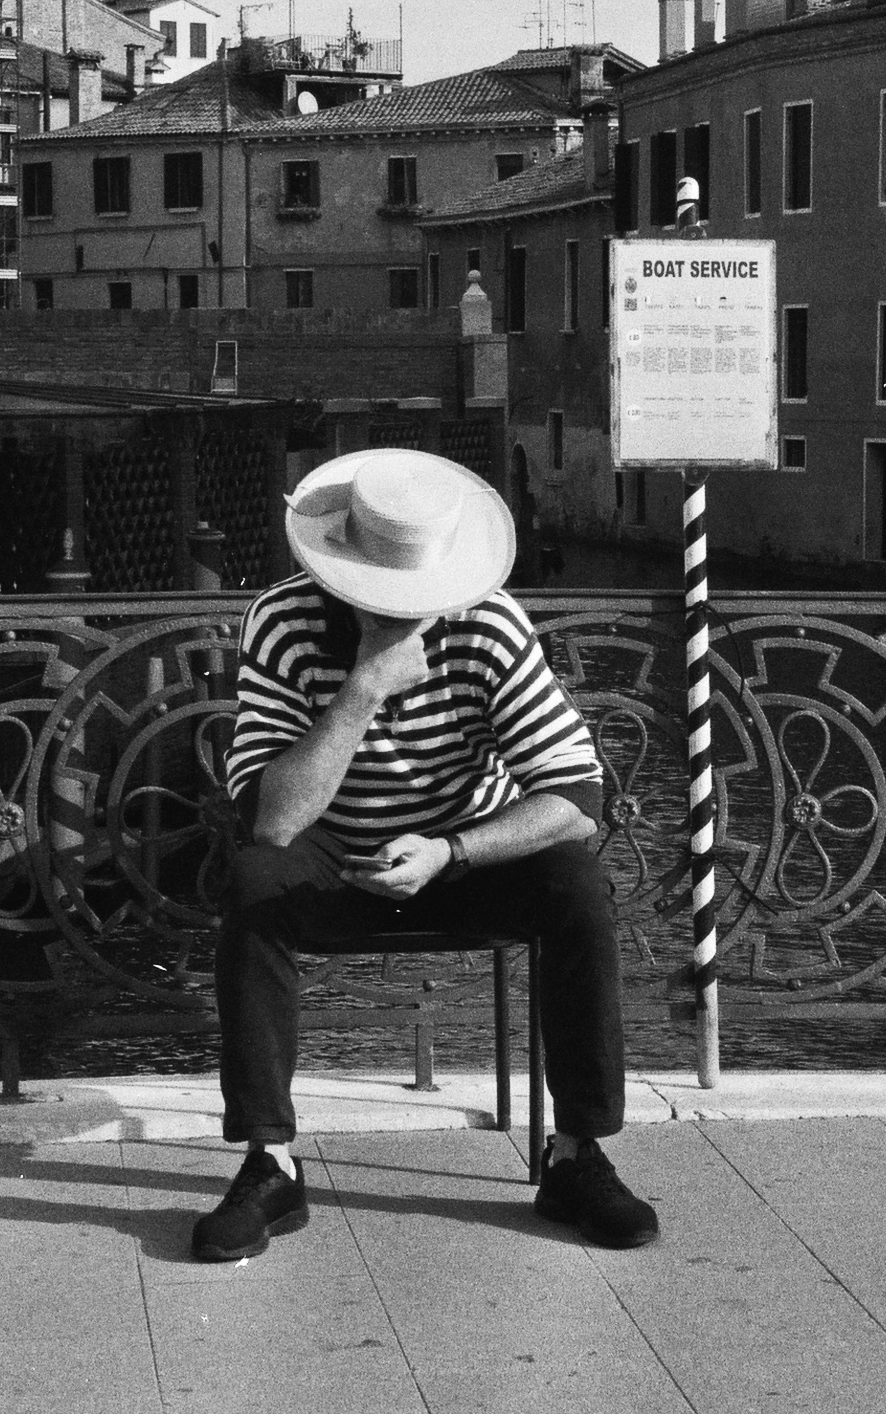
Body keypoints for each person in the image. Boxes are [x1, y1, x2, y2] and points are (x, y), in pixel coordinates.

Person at [191, 447, 659, 1261]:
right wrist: (363, 689)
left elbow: (576, 798)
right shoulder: (283, 620)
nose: (403, 610)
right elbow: (273, 822)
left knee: (576, 883)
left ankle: (576, 1154)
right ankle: (269, 1165)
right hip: (331, 863)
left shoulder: (488, 623)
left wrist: (450, 850)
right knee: (255, 879)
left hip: (462, 860)